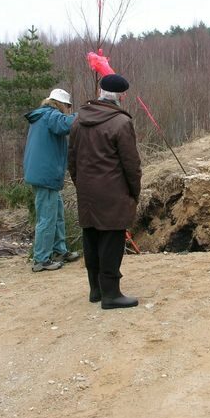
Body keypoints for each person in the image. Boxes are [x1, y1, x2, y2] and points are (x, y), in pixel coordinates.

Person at [68, 74, 141, 310]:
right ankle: (111, 294)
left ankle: (96, 290)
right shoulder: (121, 123)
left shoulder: (78, 120)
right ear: (121, 96)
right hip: (112, 192)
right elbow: (131, 165)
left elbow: (72, 160)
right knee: (111, 241)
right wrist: (134, 192)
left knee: (91, 238)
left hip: (87, 192)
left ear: (100, 93)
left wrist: (81, 184)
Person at [24, 88, 81, 272]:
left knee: (57, 214)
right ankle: (41, 259)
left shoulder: (42, 116)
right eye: (68, 106)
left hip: (43, 174)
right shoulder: (50, 115)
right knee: (47, 218)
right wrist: (86, 113)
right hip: (46, 175)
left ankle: (59, 250)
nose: (68, 110)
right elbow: (66, 125)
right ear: (61, 104)